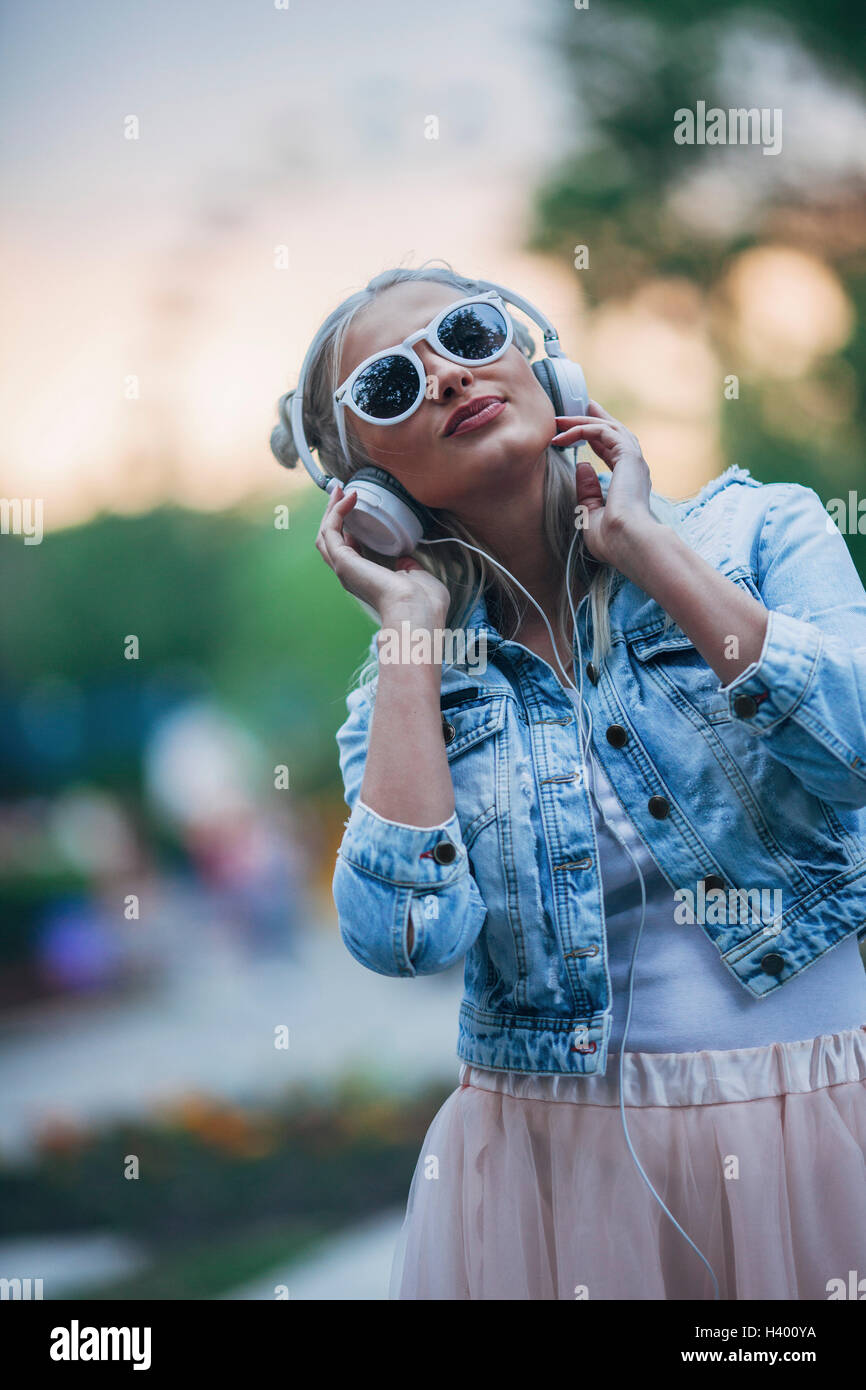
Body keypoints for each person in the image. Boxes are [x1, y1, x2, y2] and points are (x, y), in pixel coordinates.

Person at [275, 262, 866, 1300]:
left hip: (818, 1115)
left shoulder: (760, 533)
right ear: (366, 492)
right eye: (390, 388)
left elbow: (852, 750)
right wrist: (411, 635)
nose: (448, 377)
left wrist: (647, 548)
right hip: (553, 1165)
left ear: (543, 360)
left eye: (464, 335)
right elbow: (403, 939)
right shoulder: (402, 691)